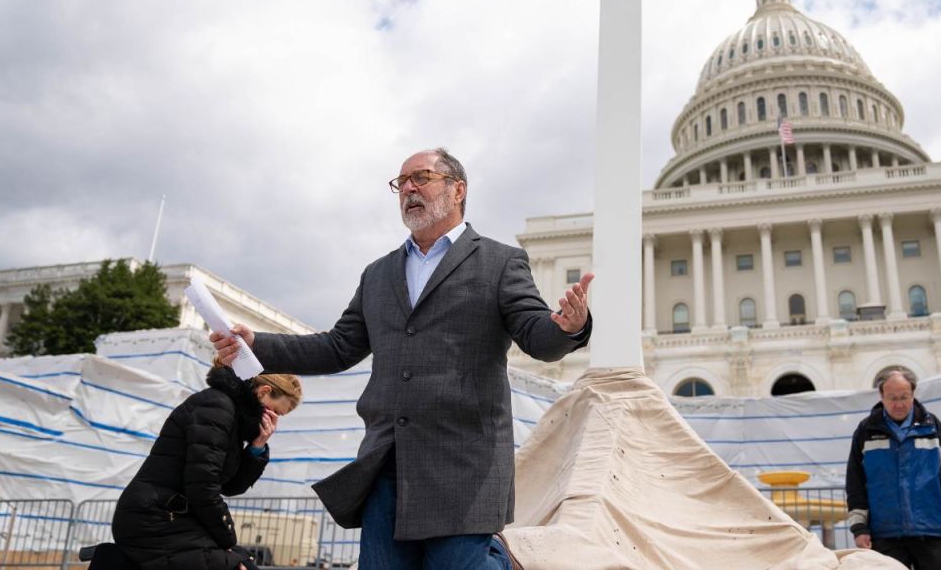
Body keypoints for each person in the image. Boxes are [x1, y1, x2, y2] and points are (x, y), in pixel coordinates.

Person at [211, 147, 593, 570]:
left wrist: (567, 326)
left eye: (421, 177)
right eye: (401, 182)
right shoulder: (378, 274)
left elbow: (536, 336)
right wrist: (255, 344)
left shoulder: (500, 262)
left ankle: (500, 561)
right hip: (387, 462)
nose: (408, 188)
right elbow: (338, 346)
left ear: (457, 189)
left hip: (463, 464)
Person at [110, 363, 302, 570]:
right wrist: (227, 541)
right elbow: (202, 486)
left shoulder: (231, 414)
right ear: (263, 391)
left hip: (174, 515)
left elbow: (230, 487)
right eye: (274, 412)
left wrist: (257, 447)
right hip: (154, 518)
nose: (273, 421)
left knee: (245, 562)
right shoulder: (217, 408)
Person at [845, 367, 941, 568]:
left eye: (904, 397)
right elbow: (855, 482)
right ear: (881, 396)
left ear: (913, 394)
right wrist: (859, 528)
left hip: (931, 530)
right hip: (885, 533)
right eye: (892, 398)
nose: (898, 404)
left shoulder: (933, 428)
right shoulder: (866, 431)